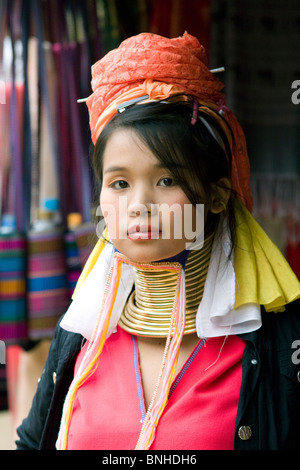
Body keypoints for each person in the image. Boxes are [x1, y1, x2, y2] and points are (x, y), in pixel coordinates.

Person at [16, 32, 300, 450]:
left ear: (217, 194)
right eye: (119, 182)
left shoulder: (279, 344)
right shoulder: (81, 333)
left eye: (166, 179)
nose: (138, 205)